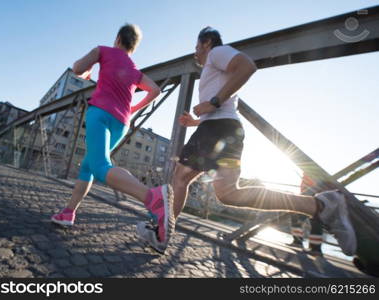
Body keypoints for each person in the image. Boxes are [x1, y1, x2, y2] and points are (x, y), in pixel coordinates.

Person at [137, 26, 357, 256]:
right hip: (225, 129)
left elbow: (247, 66)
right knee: (229, 193)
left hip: (217, 129)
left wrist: (213, 102)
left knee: (180, 176)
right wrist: (196, 120)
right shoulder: (217, 68)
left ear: (206, 43)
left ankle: (162, 234)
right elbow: (225, 107)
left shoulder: (217, 52)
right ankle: (320, 205)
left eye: (196, 47)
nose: (195, 53)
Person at [51, 24, 175, 248]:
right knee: (89, 166)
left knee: (99, 166)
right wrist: (134, 108)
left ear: (118, 38)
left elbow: (77, 68)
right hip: (122, 123)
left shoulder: (103, 51)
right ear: (133, 47)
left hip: (100, 113)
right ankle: (68, 212)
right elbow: (155, 90)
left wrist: (87, 71)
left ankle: (152, 198)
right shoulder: (135, 70)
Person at [289, 173, 324, 255]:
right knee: (314, 221)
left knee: (313, 221)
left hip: (312, 197)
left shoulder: (312, 171)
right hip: (309, 197)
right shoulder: (307, 172)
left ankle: (309, 246)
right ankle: (314, 247)